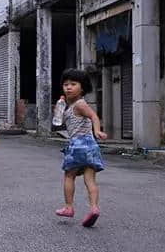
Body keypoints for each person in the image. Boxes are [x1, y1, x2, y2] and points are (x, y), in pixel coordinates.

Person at [54, 69, 107, 227]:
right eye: (65, 84)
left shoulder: (80, 104)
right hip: (90, 147)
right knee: (90, 179)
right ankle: (94, 208)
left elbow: (94, 116)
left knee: (69, 176)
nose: (68, 87)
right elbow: (59, 122)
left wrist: (97, 130)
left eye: (73, 84)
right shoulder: (70, 106)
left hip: (78, 145)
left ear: (82, 88)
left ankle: (69, 207)